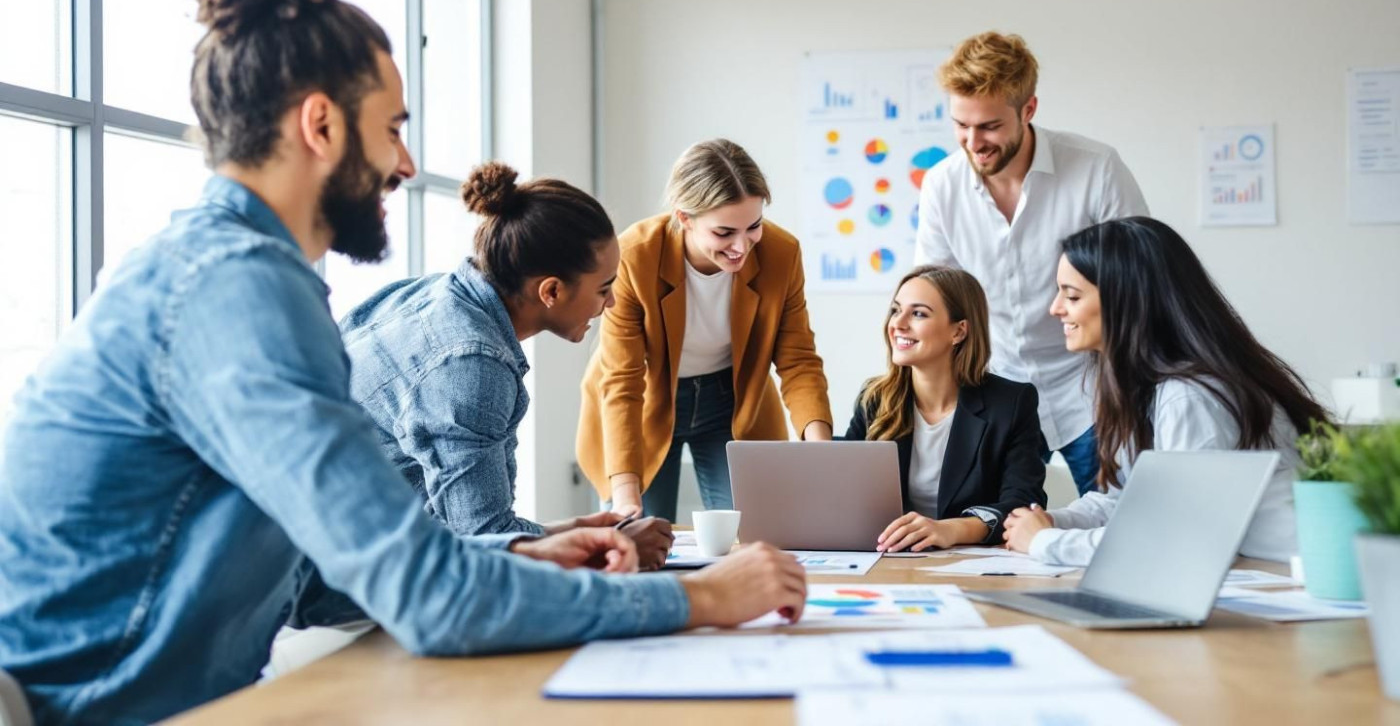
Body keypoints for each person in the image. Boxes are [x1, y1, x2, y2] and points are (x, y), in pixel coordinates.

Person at [0, 0, 804, 724]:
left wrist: (520, 550)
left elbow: (308, 577)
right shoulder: (235, 292)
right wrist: (694, 597)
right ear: (320, 126)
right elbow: (427, 601)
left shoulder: (238, 274)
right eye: (392, 129)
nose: (409, 165)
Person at [336, 161, 673, 569]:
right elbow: (484, 544)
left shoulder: (434, 296)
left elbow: (477, 531)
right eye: (604, 289)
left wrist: (576, 531)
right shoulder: (471, 366)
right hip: (342, 572)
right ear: (550, 290)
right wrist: (616, 547)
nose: (612, 304)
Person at [1002, 217, 1323, 565]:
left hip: (1294, 576)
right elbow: (1126, 499)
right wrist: (1054, 522)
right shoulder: (1143, 389)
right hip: (1255, 569)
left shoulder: (1190, 398)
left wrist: (1045, 543)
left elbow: (1173, 538)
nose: (1055, 308)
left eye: (1072, 295)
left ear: (1125, 301)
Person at [914, 31, 1150, 495]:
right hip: (996, 389)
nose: (973, 142)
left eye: (990, 127)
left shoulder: (1096, 168)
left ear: (1029, 110)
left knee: (1128, 521)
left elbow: (1142, 285)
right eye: (961, 125)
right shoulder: (942, 185)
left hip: (1095, 391)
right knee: (987, 533)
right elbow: (933, 293)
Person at [576, 139, 834, 521]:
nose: (741, 246)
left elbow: (798, 360)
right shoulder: (634, 255)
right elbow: (622, 381)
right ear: (684, 218)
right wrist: (627, 498)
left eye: (754, 226)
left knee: (751, 528)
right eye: (724, 232)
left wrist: (821, 455)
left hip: (730, 402)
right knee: (643, 529)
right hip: (644, 399)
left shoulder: (782, 253)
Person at [844, 266, 1046, 552]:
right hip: (887, 556)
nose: (898, 324)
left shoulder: (1011, 403)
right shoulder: (874, 398)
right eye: (895, 310)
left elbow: (1023, 503)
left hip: (969, 562)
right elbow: (843, 492)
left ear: (959, 331)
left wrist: (951, 529)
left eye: (919, 313)